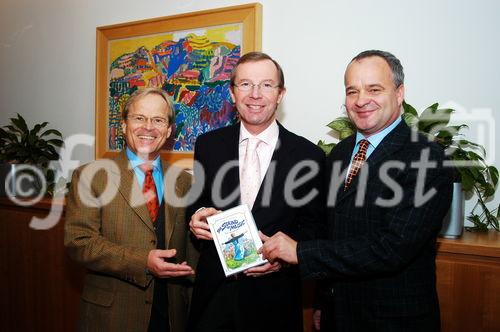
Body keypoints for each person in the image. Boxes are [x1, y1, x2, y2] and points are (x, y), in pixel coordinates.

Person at [260, 50, 454, 331]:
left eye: (374, 89)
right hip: (338, 315)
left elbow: (392, 247)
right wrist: (323, 303)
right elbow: (332, 229)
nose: (361, 100)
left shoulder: (428, 157)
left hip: (394, 320)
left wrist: (301, 252)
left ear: (399, 93)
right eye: (352, 91)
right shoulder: (340, 153)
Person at [187, 52, 325, 332]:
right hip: (213, 294)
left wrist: (284, 260)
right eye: (246, 84)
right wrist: (198, 216)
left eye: (266, 85)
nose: (255, 94)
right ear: (232, 93)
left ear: (280, 94)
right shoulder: (208, 145)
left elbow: (317, 229)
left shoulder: (309, 156)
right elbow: (196, 203)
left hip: (274, 298)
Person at [64, 87, 197, 332]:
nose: (148, 127)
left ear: (168, 131)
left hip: (172, 317)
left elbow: (191, 250)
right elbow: (79, 243)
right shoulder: (91, 176)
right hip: (113, 317)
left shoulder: (184, 181)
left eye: (158, 120)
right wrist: (143, 261)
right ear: (124, 125)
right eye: (139, 118)